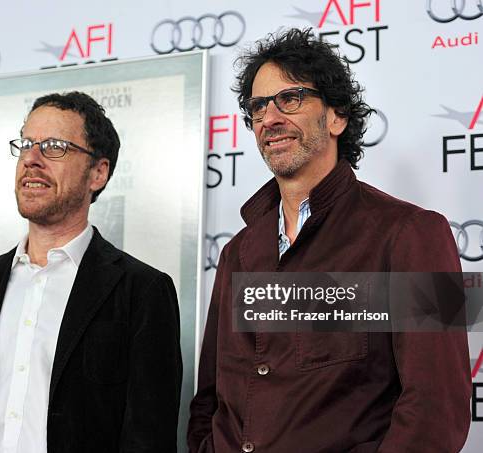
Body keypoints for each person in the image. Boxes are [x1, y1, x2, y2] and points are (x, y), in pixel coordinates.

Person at [188, 28, 471, 453]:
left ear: (337, 116)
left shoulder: (413, 233)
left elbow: (438, 410)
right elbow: (209, 397)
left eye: (291, 98)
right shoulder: (238, 252)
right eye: (258, 107)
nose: (270, 118)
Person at [0, 91, 182, 453]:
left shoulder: (143, 291)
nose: (32, 160)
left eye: (54, 146)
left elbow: (147, 438)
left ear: (98, 173)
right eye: (26, 144)